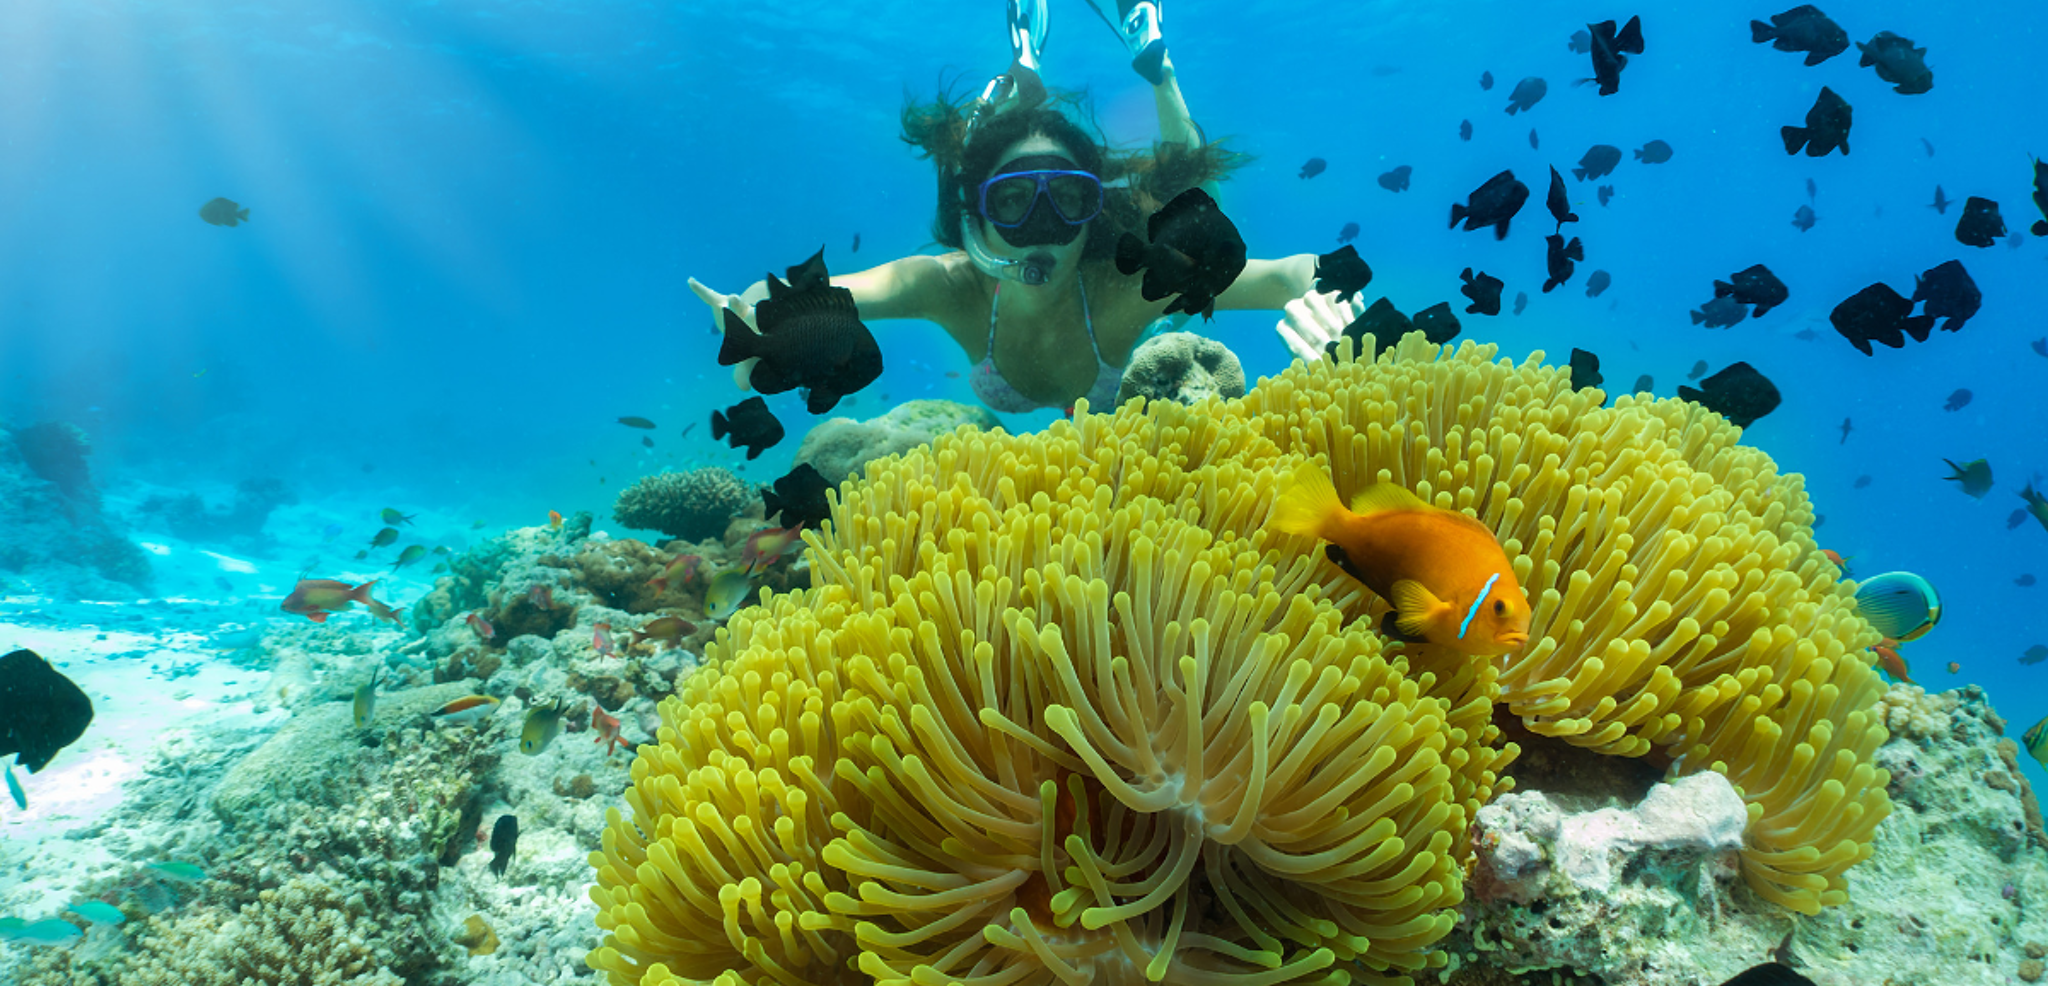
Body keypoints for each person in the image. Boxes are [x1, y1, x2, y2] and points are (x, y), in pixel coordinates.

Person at [690, 0, 1336, 417]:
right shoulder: (947, 285)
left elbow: (1289, 274)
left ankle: (1159, 70)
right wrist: (748, 317)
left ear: (1093, 210)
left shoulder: (1127, 286)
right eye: (1013, 201)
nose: (1043, 229)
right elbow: (801, 299)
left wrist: (1330, 304)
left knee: (1192, 203)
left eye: (1069, 198)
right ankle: (1017, 79)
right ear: (976, 217)